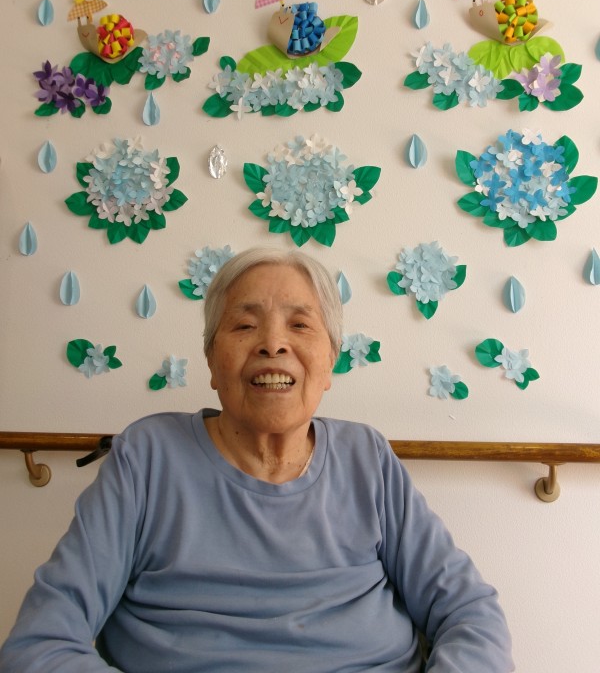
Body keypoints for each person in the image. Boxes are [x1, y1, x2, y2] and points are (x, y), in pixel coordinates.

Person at [0, 247, 514, 673]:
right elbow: (41, 644)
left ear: (330, 362)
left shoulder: (368, 458)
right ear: (211, 361)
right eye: (245, 325)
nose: (273, 345)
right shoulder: (147, 457)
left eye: (300, 325)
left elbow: (470, 614)